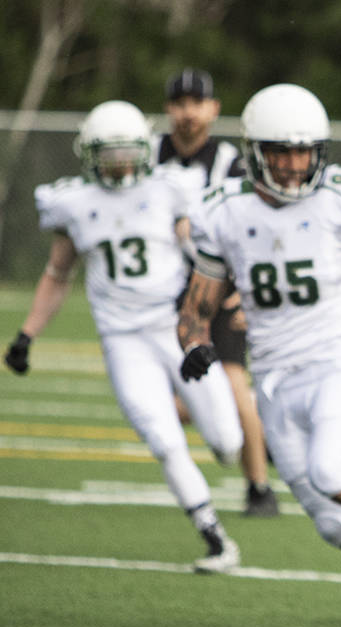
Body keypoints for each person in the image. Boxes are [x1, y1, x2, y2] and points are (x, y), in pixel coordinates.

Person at [176, 83, 341, 588]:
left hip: (337, 362)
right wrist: (193, 341)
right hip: (272, 379)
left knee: (332, 474)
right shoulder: (222, 210)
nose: (296, 164)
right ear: (256, 152)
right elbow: (195, 307)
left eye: (304, 150)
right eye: (281, 151)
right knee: (333, 520)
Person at [3, 100, 243, 572]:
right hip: (122, 340)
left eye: (125, 153)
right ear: (88, 154)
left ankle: (228, 451)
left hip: (176, 327)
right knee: (163, 439)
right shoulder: (73, 202)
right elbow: (57, 274)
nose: (117, 164)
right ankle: (215, 537)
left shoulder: (169, 191)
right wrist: (27, 334)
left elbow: (202, 251)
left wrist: (227, 298)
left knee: (228, 443)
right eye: (107, 154)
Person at [157, 68, 278, 518]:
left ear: (213, 109)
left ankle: (259, 486)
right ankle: (257, 440)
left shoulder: (231, 160)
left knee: (231, 380)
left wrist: (246, 292)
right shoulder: (149, 156)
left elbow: (256, 226)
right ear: (169, 108)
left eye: (196, 102)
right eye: (180, 102)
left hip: (220, 291)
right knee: (169, 397)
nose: (188, 111)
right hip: (166, 292)